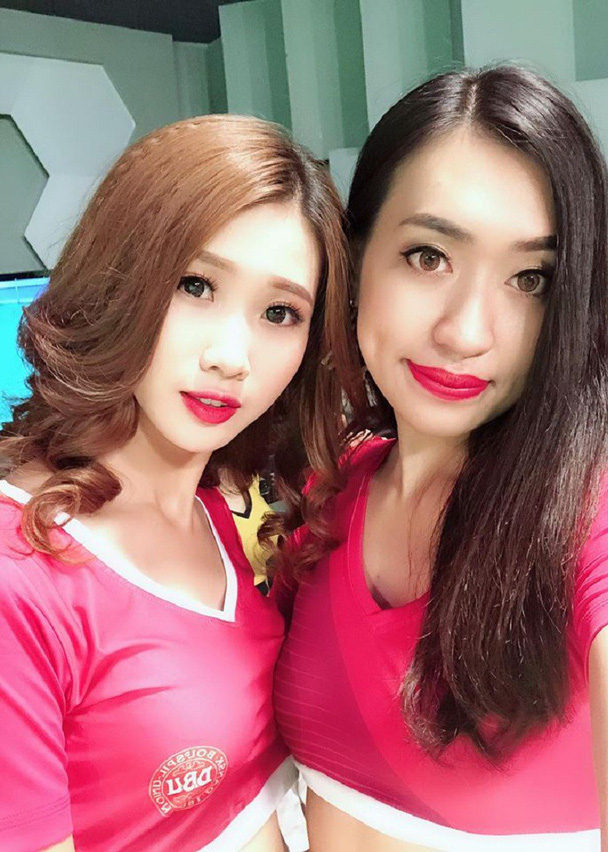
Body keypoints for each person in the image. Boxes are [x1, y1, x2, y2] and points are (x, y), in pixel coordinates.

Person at [274, 65, 608, 851]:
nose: (467, 332)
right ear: (356, 260)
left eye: (530, 279)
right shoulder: (331, 493)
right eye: (428, 256)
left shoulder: (604, 523)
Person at [0, 114, 349, 851]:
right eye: (196, 284)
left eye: (280, 312)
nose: (231, 355)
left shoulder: (217, 512)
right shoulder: (19, 576)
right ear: (118, 276)